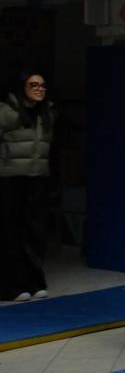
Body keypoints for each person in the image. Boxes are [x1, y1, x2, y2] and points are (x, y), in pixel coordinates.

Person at [0, 71, 57, 302]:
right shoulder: (6, 112)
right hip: (10, 178)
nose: (39, 89)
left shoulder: (47, 113)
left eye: (42, 85)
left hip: (37, 177)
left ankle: (34, 283)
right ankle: (10, 286)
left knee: (35, 232)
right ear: (21, 88)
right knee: (10, 232)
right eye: (33, 85)